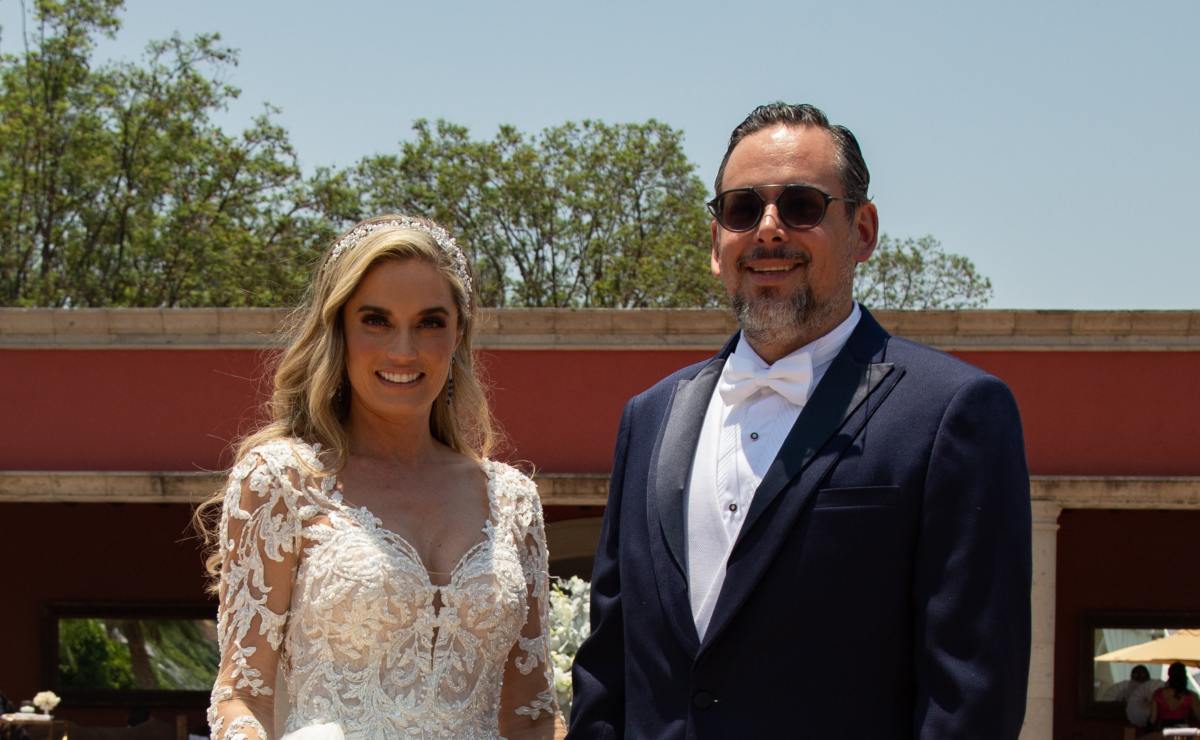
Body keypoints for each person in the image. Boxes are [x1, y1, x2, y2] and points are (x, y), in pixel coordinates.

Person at [569, 103, 1032, 739]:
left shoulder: (953, 413)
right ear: (715, 243)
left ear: (862, 231)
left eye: (802, 206)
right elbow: (608, 670)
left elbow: (970, 698)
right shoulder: (649, 418)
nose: (768, 229)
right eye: (741, 208)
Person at [197, 216, 562, 739]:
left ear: (458, 333)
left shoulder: (513, 501)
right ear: (339, 330)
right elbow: (242, 694)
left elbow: (533, 710)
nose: (403, 351)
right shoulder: (281, 480)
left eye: (430, 322)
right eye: (376, 320)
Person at [1150, 662, 1200, 731]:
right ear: (1184, 675)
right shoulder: (1191, 695)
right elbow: (1198, 715)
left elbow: (1153, 719)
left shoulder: (1158, 694)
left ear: (1169, 675)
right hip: (1182, 731)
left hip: (1163, 730)